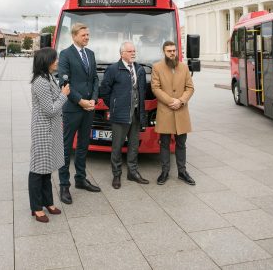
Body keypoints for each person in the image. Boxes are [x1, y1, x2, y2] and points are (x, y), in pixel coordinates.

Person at [57, 22, 101, 204]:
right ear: (74, 36)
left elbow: (95, 80)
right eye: (84, 35)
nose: (87, 38)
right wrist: (81, 101)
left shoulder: (90, 54)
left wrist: (93, 100)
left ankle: (80, 179)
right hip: (73, 109)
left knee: (84, 145)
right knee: (67, 148)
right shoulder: (65, 55)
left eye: (88, 35)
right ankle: (64, 185)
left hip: (88, 109)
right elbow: (64, 83)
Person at [29, 47, 70, 223]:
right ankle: (36, 208)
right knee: (38, 170)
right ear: (46, 61)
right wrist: (63, 95)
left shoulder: (49, 77)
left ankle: (47, 202)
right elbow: (50, 110)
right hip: (43, 131)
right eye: (55, 59)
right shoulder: (40, 82)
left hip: (51, 129)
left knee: (46, 169)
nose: (57, 62)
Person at [100, 41, 148, 189]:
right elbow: (104, 91)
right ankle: (117, 175)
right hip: (119, 114)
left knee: (134, 145)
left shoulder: (139, 69)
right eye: (130, 51)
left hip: (135, 114)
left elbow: (142, 91)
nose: (133, 53)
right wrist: (114, 106)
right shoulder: (113, 69)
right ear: (122, 53)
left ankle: (132, 172)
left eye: (134, 51)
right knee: (117, 146)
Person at [151, 40, 195, 186]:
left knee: (181, 143)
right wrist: (171, 101)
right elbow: (155, 88)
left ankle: (182, 172)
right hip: (165, 111)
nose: (172, 53)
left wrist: (181, 101)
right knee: (164, 143)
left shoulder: (184, 67)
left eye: (174, 50)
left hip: (181, 110)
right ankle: (165, 172)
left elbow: (190, 87)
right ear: (164, 52)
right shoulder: (157, 67)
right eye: (169, 51)